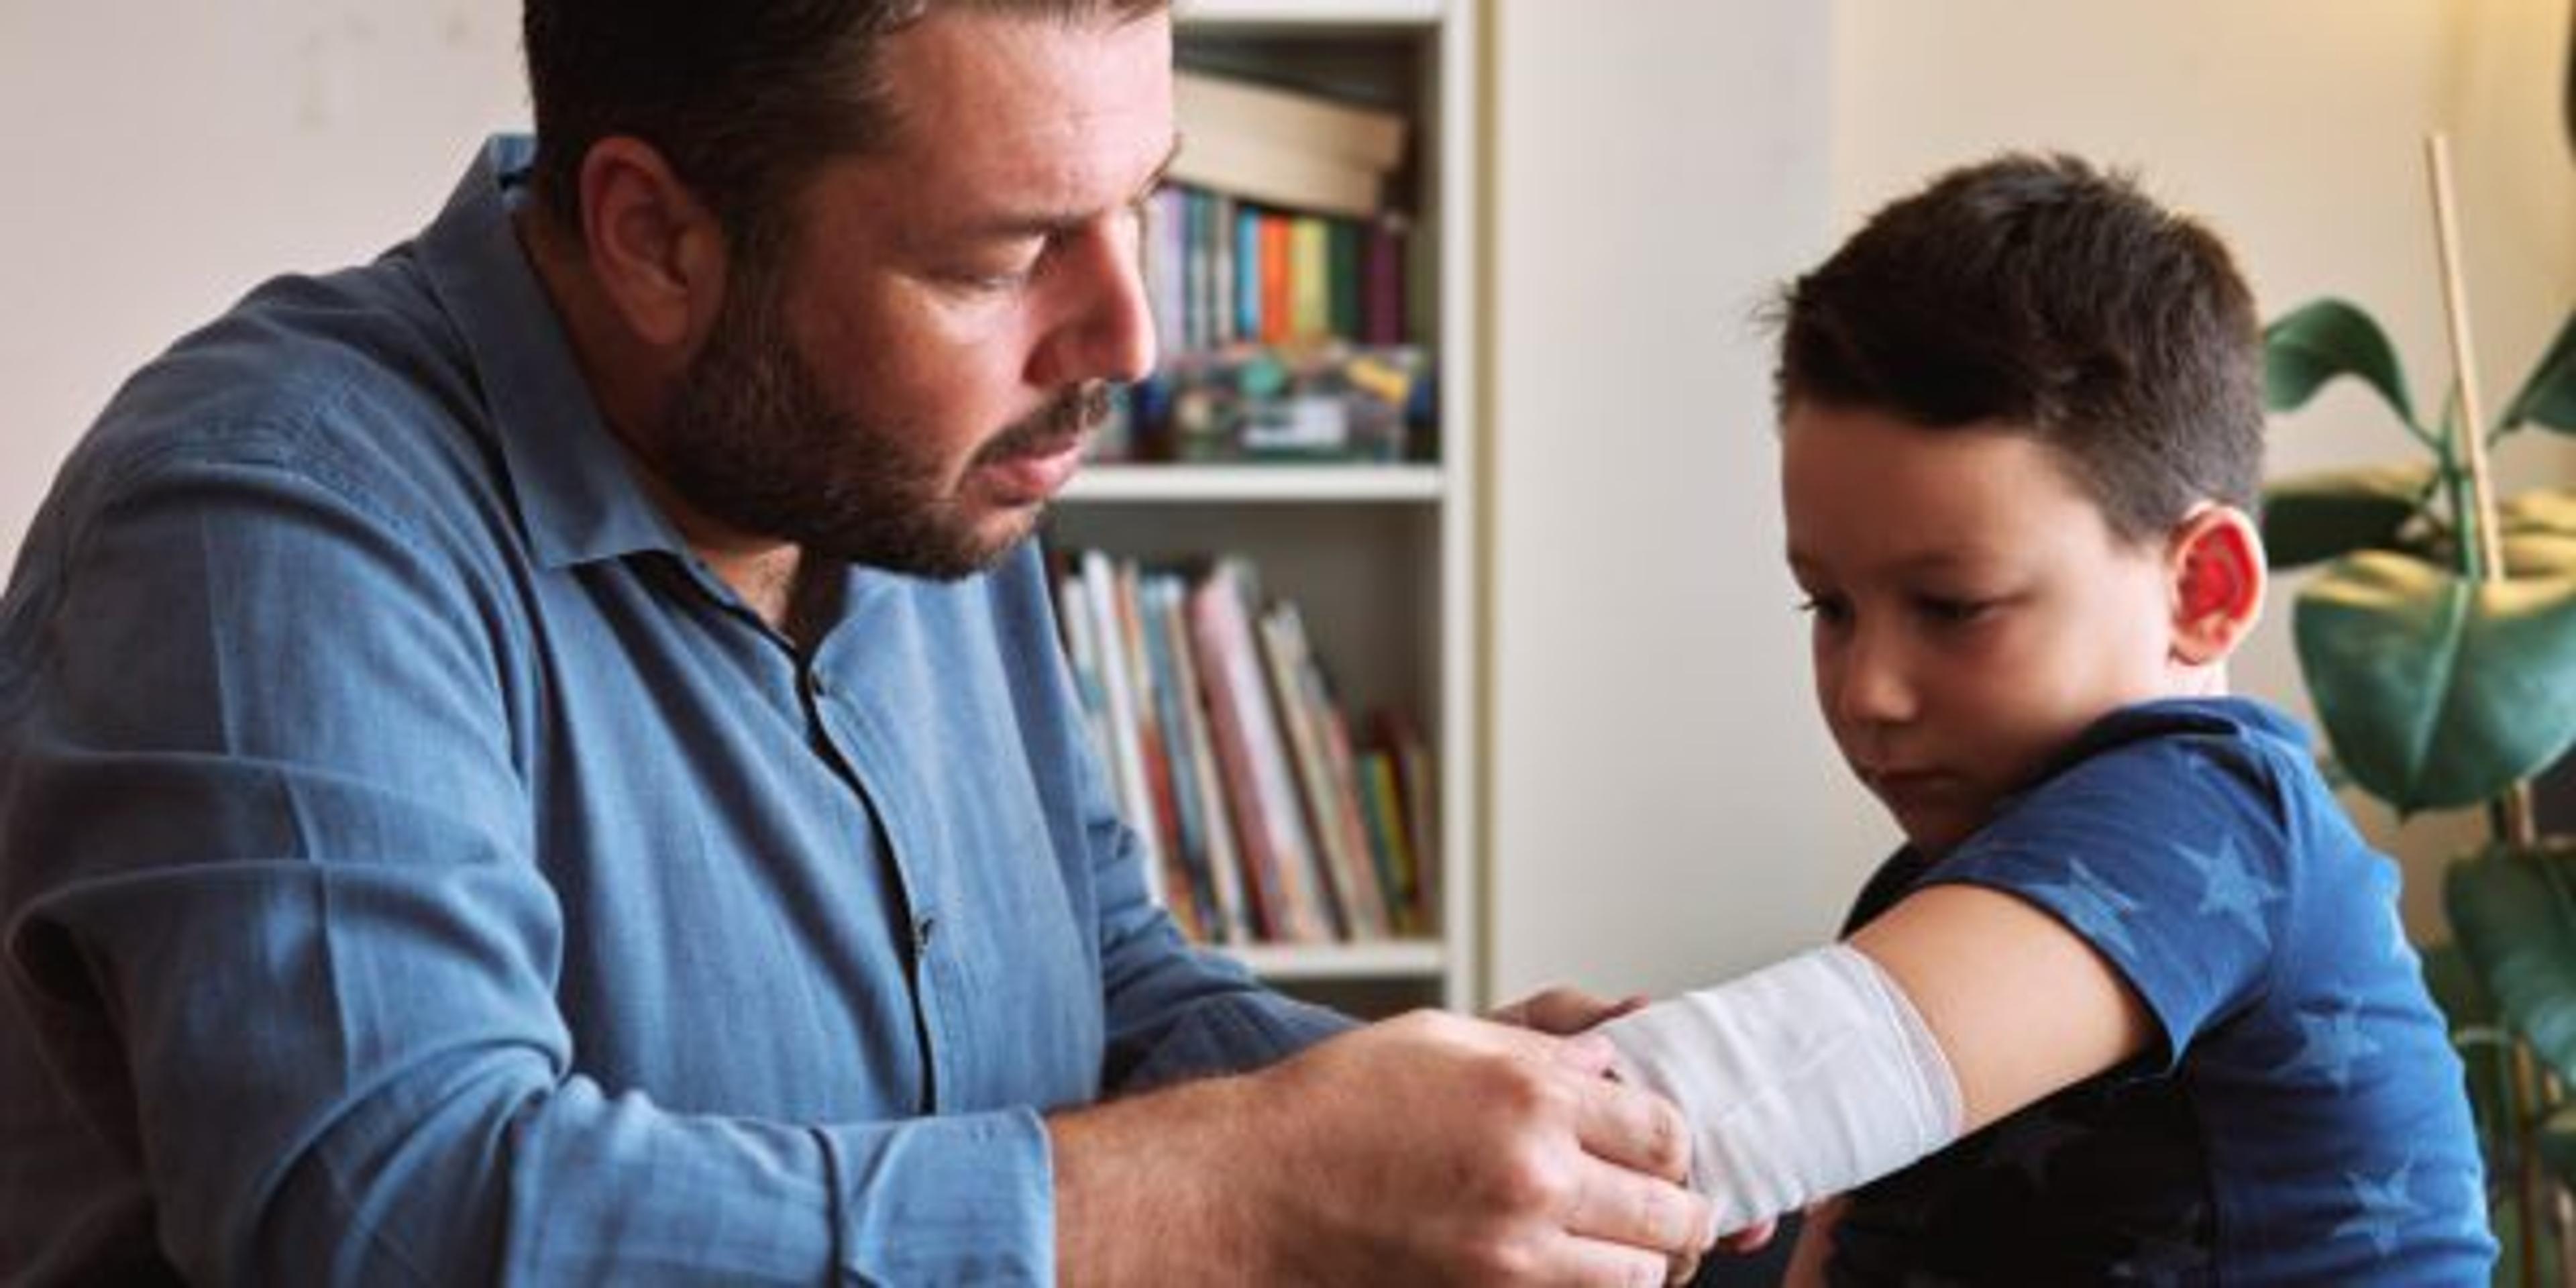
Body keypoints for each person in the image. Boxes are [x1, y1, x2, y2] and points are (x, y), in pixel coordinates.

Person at [0, 2, 1715, 1282]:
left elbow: (1093, 980)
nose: (1128, 338)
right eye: (1005, 256)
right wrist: (1242, 1185)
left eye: (1143, 209)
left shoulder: (902, 464)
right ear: (656, 237)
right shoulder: (266, 519)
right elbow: (392, 1212)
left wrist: (1455, 1126)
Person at [1596, 153, 2496, 1283]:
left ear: (2202, 589)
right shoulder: (1958, 884)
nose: (1868, 689)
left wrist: (1369, 1117)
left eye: (1954, 607)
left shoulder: (2206, 818)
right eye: (1829, 606)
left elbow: (1758, 1094)